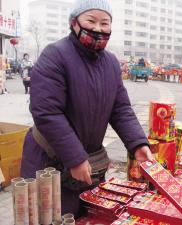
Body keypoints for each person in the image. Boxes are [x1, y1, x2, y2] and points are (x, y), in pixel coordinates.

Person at [21, 0, 153, 217]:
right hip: (49, 161)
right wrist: (75, 158)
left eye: (105, 23)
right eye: (90, 21)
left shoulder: (111, 63)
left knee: (87, 216)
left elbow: (120, 109)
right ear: (74, 22)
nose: (98, 29)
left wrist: (138, 144)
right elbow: (47, 112)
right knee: (53, 217)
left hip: (89, 162)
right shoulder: (55, 55)